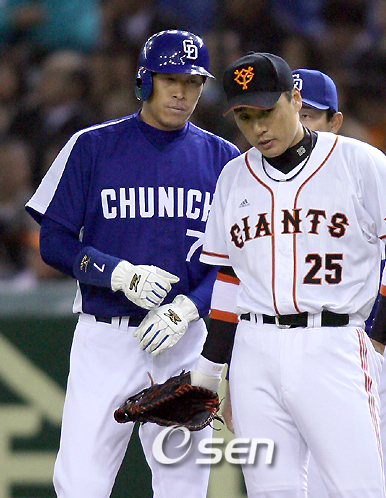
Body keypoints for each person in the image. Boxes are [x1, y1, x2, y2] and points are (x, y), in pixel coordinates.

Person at [189, 51, 386, 497]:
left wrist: (377, 336)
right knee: (269, 491)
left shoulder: (357, 160)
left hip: (331, 342)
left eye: (267, 111)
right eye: (244, 116)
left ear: (295, 100)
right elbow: (229, 279)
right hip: (254, 350)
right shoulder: (233, 177)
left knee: (356, 490)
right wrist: (210, 366)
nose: (258, 128)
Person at [25, 29, 240, 498]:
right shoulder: (91, 146)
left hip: (185, 342)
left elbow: (236, 263)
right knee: (79, 485)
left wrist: (189, 308)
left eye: (193, 82)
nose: (182, 92)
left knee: (184, 487)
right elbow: (53, 241)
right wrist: (117, 273)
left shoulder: (225, 160)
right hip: (107, 336)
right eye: (171, 80)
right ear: (145, 81)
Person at [292, 68, 386, 498]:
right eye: (290, 113)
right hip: (322, 349)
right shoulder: (265, 191)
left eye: (309, 116)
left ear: (334, 122)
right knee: (327, 488)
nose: (298, 127)